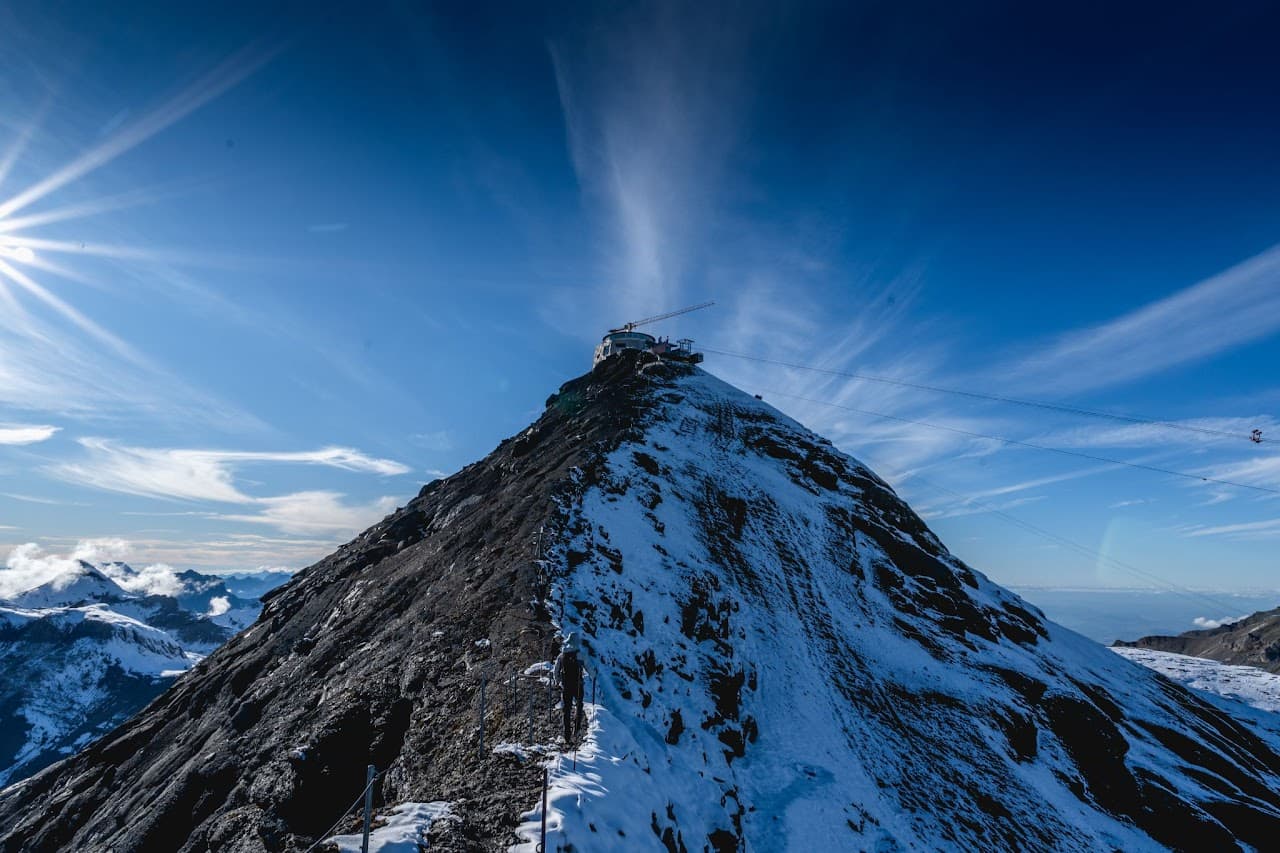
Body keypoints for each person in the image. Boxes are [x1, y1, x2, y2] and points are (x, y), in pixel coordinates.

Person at [552, 631, 586, 743]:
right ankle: (576, 730)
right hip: (578, 685)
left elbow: (556, 670)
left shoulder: (562, 655)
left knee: (566, 710)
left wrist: (558, 681)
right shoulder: (580, 654)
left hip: (566, 686)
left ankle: (566, 736)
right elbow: (589, 668)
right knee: (579, 706)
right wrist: (594, 674)